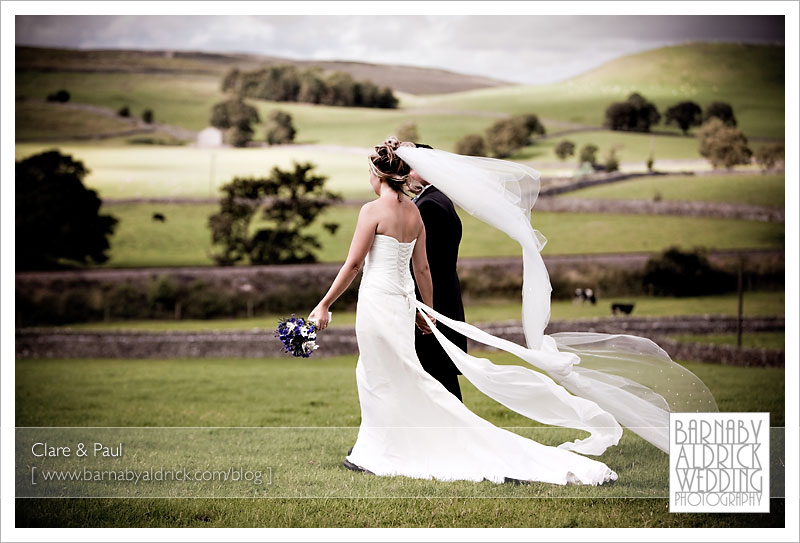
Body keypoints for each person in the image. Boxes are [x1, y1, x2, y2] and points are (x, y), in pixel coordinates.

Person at [308, 137, 622, 485]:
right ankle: (379, 446)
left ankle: (379, 450)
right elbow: (423, 269)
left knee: (376, 375)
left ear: (379, 175)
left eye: (369, 173)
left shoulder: (371, 211)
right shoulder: (413, 212)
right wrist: (424, 309)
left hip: (377, 303)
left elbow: (353, 265)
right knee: (395, 373)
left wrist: (324, 304)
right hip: (402, 304)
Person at [407, 144, 467, 402]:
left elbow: (424, 265)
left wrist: (423, 308)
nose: (405, 174)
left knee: (438, 380)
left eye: (410, 167)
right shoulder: (436, 199)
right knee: (437, 381)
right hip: (440, 304)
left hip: (433, 306)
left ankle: (460, 439)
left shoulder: (429, 206)